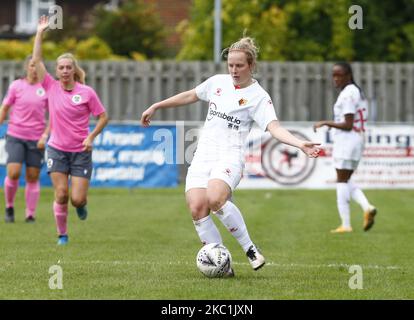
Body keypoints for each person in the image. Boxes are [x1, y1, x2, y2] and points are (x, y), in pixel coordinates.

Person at [141, 36, 320, 274]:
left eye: (240, 65)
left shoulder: (259, 97)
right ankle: (222, 266)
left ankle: (250, 249)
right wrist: (156, 105)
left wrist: (299, 144)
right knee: (197, 207)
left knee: (215, 198)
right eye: (231, 65)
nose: (234, 70)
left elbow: (274, 127)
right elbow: (190, 95)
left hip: (230, 155)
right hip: (203, 154)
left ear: (251, 65)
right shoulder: (217, 83)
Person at [32, 16, 108, 245]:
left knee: (76, 199)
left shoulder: (86, 92)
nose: (65, 71)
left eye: (68, 67)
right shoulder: (50, 86)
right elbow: (36, 60)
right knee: (62, 194)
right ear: (56, 71)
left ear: (74, 71)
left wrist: (91, 136)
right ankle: (62, 235)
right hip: (57, 150)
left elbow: (103, 117)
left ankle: (81, 206)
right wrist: (39, 33)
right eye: (61, 68)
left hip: (81, 151)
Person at [313, 62, 377, 233]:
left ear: (348, 75)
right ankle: (367, 207)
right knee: (346, 179)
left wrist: (326, 122)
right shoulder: (355, 91)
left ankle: (346, 224)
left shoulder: (348, 94)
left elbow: (348, 124)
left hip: (348, 140)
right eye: (333, 75)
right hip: (357, 139)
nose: (335, 78)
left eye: (339, 75)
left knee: (341, 180)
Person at [0, 55, 49, 223]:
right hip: (15, 135)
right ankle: (9, 206)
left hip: (37, 139)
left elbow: (55, 115)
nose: (34, 69)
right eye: (32, 65)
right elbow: (5, 107)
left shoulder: (46, 89)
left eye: (38, 66)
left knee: (32, 176)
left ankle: (30, 213)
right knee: (13, 173)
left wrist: (45, 135)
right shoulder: (16, 86)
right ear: (26, 67)